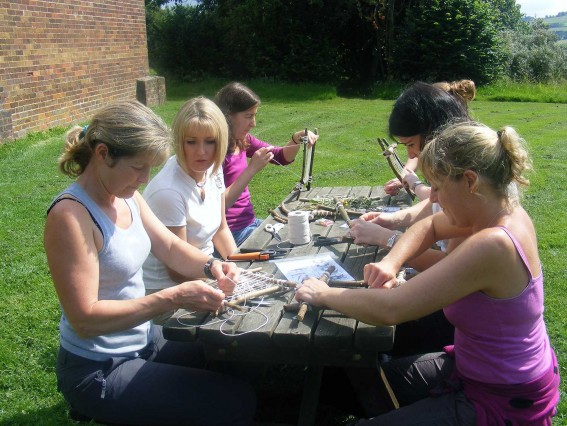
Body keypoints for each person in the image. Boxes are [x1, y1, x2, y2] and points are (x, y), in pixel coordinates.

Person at [296, 121, 560, 424]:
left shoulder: (494, 243)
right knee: (339, 384)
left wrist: (323, 294)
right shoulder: (500, 212)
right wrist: (390, 263)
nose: (432, 198)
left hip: (503, 397)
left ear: (471, 181)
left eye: (437, 186)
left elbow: (393, 309)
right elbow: (430, 226)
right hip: (475, 368)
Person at [44, 100, 256, 425]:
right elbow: (85, 318)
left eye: (149, 168)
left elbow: (170, 245)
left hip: (143, 340)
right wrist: (172, 297)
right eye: (138, 167)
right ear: (103, 154)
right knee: (233, 402)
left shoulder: (126, 195)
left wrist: (211, 266)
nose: (145, 178)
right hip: (98, 368)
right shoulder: (70, 216)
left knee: (231, 351)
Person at [143, 97, 238, 301]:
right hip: (168, 294)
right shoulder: (168, 191)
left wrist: (237, 267)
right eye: (191, 142)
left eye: (210, 141)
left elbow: (221, 229)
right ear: (179, 141)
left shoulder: (213, 168)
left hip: (208, 274)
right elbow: (176, 270)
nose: (201, 152)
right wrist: (220, 279)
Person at [214, 82, 319, 245]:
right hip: (229, 233)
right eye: (248, 116)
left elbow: (280, 156)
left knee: (302, 234)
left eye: (254, 116)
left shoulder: (242, 140)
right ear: (228, 115)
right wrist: (251, 169)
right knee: (294, 244)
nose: (253, 123)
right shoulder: (212, 152)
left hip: (249, 223)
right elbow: (217, 204)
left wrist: (296, 138)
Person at [383, 79, 476, 200]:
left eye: (411, 144)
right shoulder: (449, 148)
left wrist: (416, 184)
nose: (411, 154)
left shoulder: (461, 160)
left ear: (434, 130)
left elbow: (438, 203)